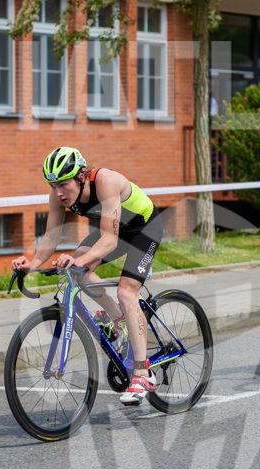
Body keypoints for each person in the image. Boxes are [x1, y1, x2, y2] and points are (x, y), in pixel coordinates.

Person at [12, 147, 164, 406]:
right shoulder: (58, 196)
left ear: (81, 176)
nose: (58, 192)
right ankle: (120, 321)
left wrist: (79, 260)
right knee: (78, 272)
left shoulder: (106, 181)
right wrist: (32, 264)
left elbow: (109, 240)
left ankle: (143, 374)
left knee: (127, 291)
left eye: (63, 184)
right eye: (53, 186)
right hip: (115, 231)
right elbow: (50, 237)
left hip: (144, 230)